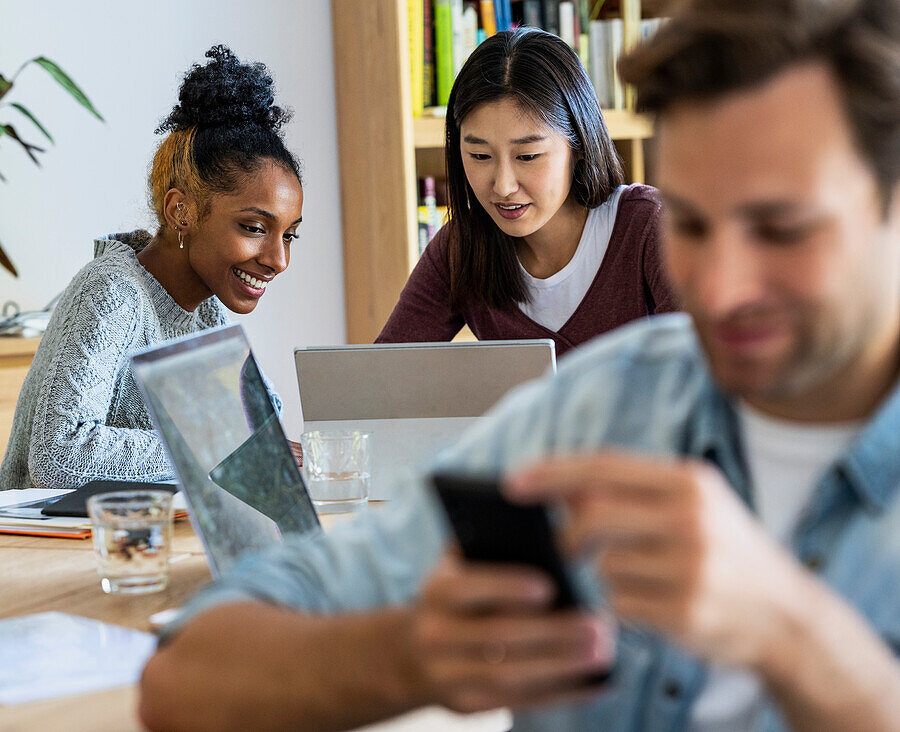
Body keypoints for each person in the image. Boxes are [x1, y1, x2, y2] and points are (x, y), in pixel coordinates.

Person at [138, 1, 900, 730]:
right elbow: (181, 680)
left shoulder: (629, 250)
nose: (721, 289)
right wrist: (417, 655)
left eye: (783, 228)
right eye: (693, 225)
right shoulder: (594, 410)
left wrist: (793, 637)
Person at [0, 46, 303, 492]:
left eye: (289, 235)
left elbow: (259, 423)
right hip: (41, 547)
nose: (278, 259)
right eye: (255, 227)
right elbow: (59, 456)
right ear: (181, 212)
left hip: (130, 539)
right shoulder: (113, 294)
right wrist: (217, 444)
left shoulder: (204, 307)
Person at [376, 28, 676, 355]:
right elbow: (379, 381)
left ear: (578, 144)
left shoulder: (651, 228)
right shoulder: (460, 249)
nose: (503, 186)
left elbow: (712, 385)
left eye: (527, 156)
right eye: (480, 156)